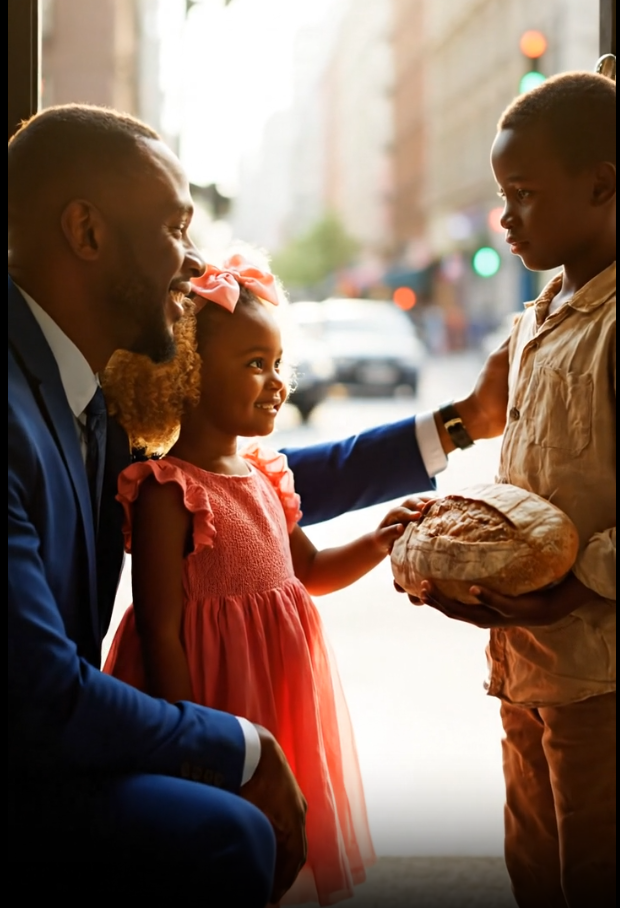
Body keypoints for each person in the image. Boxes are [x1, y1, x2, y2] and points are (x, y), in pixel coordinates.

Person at [8, 103, 507, 902]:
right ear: (87, 232)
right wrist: (238, 743)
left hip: (64, 740)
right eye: (176, 227)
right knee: (230, 832)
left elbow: (253, 487)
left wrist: (460, 424)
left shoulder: (87, 394)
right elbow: (43, 695)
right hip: (39, 757)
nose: (193, 262)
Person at [101, 256, 424, 904]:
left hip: (277, 696)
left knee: (278, 844)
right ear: (186, 372)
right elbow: (161, 631)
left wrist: (380, 540)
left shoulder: (266, 474)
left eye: (279, 364)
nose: (278, 382)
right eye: (255, 364)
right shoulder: (169, 490)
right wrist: (194, 739)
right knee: (213, 855)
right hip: (209, 705)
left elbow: (307, 571)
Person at [415, 72, 616, 908]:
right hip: (523, 667)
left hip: (599, 679)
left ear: (605, 184)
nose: (507, 219)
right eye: (505, 195)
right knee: (534, 871)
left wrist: (572, 586)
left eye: (526, 195)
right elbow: (527, 491)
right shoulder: (533, 320)